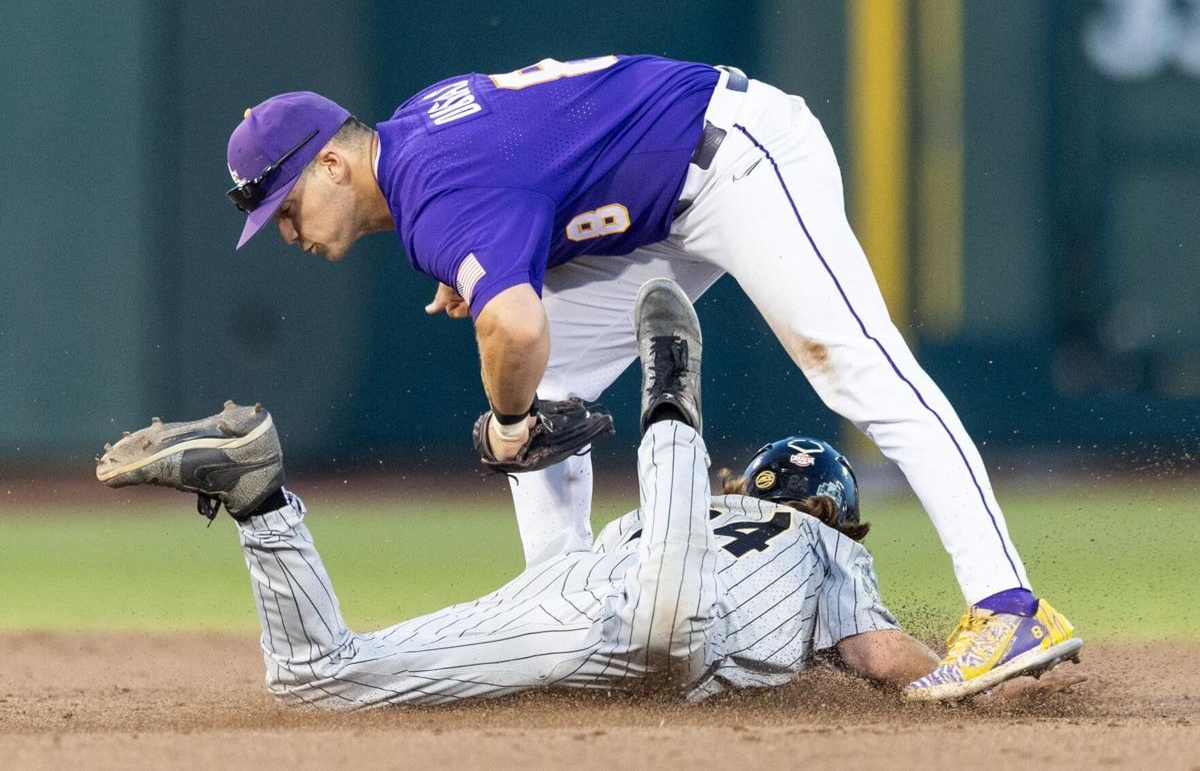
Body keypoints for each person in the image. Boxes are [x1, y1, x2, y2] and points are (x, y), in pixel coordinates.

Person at [222, 55, 1077, 698]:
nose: (287, 232)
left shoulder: (434, 193)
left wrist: (510, 419)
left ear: (332, 165)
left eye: (286, 206)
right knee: (555, 391)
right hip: (662, 207)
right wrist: (490, 268)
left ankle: (1008, 606)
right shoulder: (411, 143)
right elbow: (527, 163)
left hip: (739, 157)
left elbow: (512, 321)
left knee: (854, 367)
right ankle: (566, 612)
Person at [97, 280, 1080, 705]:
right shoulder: (824, 544)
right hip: (669, 610)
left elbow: (595, 569)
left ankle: (264, 498)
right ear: (831, 505)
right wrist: (951, 686)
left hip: (581, 593)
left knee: (321, 678)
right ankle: (670, 375)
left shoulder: (675, 513)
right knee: (671, 610)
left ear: (752, 484)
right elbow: (874, 652)